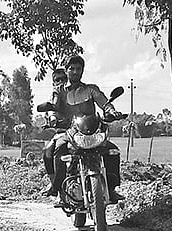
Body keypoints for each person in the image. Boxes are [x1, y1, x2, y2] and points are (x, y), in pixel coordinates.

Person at [49, 54, 122, 203]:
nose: (75, 72)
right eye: (72, 69)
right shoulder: (59, 91)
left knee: (112, 151)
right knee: (59, 148)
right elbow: (53, 108)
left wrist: (112, 111)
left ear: (82, 71)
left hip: (93, 132)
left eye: (78, 69)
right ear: (67, 70)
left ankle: (112, 189)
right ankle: (60, 191)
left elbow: (104, 103)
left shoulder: (91, 90)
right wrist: (53, 118)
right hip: (70, 132)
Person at [42, 67, 70, 185]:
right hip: (62, 132)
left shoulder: (75, 92)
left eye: (63, 78)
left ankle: (108, 186)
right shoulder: (54, 95)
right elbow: (51, 109)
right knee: (47, 152)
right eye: (57, 80)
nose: (60, 82)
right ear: (53, 82)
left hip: (81, 131)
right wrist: (52, 119)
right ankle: (54, 184)